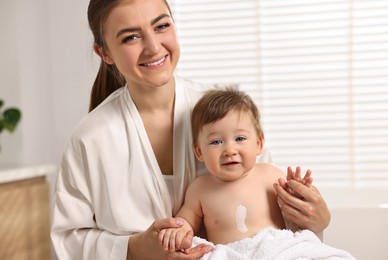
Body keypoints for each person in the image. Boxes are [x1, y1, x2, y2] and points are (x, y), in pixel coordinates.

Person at [50, 0, 331, 259]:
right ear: (104, 53)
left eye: (161, 26)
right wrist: (136, 248)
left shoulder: (224, 116)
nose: (153, 47)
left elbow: (273, 233)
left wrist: (313, 219)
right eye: (130, 37)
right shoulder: (90, 139)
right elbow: (68, 240)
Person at [158, 87, 354, 259]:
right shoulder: (199, 188)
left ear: (259, 143)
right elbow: (185, 222)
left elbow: (297, 212)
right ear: (199, 152)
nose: (230, 150)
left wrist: (297, 193)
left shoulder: (270, 175)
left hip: (275, 250)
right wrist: (179, 230)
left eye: (240, 138)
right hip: (230, 253)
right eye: (216, 141)